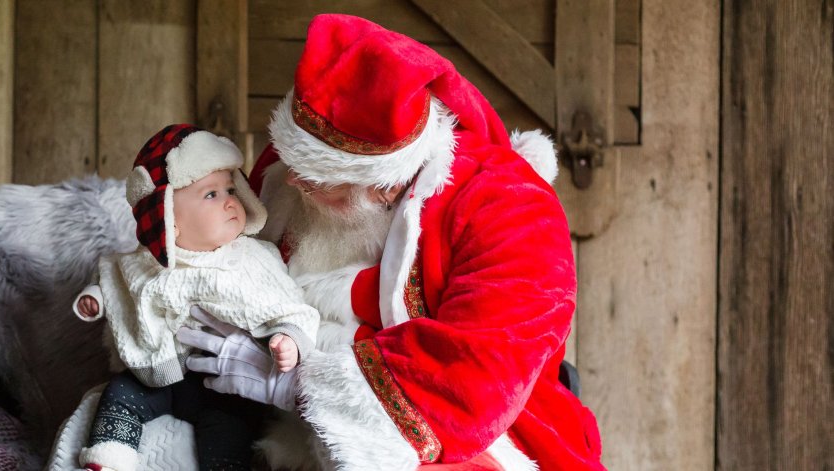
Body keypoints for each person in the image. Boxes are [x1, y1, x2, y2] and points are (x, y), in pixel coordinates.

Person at [177, 14, 606, 470]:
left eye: (319, 177)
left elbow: (474, 376)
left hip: (461, 434)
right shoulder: (287, 173)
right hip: (261, 409)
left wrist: (296, 384)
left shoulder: (509, 207)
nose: (294, 179)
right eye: (290, 159)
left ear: (382, 184)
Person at [71, 124, 319, 471]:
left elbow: (289, 304)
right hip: (158, 376)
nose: (230, 200)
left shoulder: (251, 259)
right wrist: (95, 299)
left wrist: (288, 337)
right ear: (169, 216)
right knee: (121, 394)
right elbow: (118, 281)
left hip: (226, 386)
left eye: (231, 188)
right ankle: (110, 455)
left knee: (229, 432)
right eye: (210, 194)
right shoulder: (148, 262)